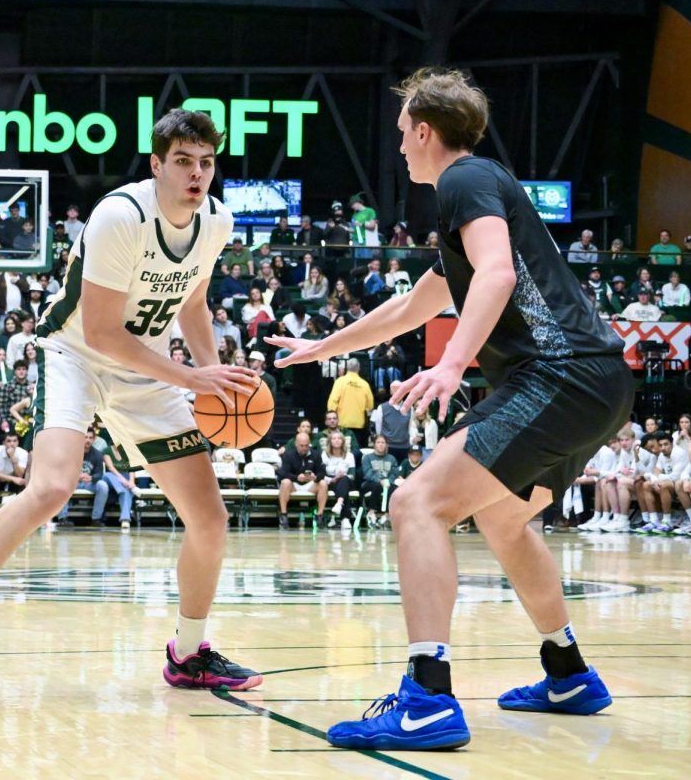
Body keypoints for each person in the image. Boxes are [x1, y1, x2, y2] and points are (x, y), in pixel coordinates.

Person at [269, 68, 633, 750]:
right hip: (597, 383)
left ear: (426, 130)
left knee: (415, 503)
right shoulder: (474, 200)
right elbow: (413, 306)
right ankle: (568, 672)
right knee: (502, 519)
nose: (400, 144)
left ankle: (427, 698)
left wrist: (453, 363)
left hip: (558, 378)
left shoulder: (465, 180)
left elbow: (496, 275)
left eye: (404, 131)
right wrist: (324, 345)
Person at [0, 108, 263, 710]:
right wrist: (192, 375)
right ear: (156, 164)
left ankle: (189, 653)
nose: (197, 174)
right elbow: (102, 332)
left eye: (206, 162)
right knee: (51, 488)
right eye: (183, 162)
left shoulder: (215, 221)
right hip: (75, 355)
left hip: (148, 370)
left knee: (210, 519)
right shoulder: (122, 215)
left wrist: (211, 379)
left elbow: (193, 302)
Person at [276, 431, 327, 529]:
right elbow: (283, 473)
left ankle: (319, 515)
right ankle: (283, 515)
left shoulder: (316, 454)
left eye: (306, 445)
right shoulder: (288, 454)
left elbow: (322, 473)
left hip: (310, 485)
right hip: (294, 484)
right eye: (301, 445)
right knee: (285, 482)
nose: (304, 448)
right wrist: (296, 477)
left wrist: (316, 477)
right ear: (296, 444)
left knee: (323, 483)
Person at [325, 357, 373, 448]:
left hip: (342, 423)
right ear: (359, 368)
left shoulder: (340, 381)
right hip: (359, 424)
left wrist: (332, 417)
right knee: (356, 451)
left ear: (347, 368)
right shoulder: (365, 384)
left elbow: (333, 400)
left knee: (341, 450)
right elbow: (370, 405)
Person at [0, 431, 28, 500]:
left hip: (15, 479)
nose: (12, 444)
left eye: (15, 441)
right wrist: (13, 478)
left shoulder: (23, 453)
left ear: (18, 442)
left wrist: (13, 458)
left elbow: (20, 474)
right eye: (9, 441)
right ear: (4, 443)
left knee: (22, 482)